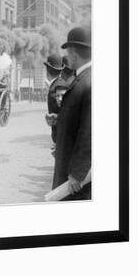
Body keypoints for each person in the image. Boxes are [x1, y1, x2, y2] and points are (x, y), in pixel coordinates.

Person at [52, 27, 92, 200]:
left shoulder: (88, 82)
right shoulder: (84, 78)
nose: (67, 57)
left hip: (74, 178)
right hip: (70, 167)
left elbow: (89, 130)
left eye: (68, 53)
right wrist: (59, 120)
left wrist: (77, 171)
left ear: (74, 53)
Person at [43, 53, 69, 154]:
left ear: (47, 70)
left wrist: (54, 117)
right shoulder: (57, 84)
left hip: (61, 133)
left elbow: (64, 111)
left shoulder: (59, 86)